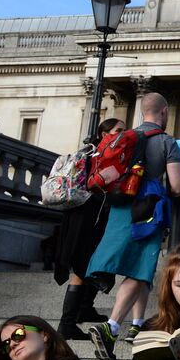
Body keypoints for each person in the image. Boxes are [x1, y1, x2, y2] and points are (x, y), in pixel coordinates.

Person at [87, 92, 180, 360]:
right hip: (147, 209)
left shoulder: (123, 137)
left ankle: (133, 324)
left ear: (143, 112)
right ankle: (112, 326)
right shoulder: (166, 141)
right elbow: (177, 187)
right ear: (164, 111)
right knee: (140, 270)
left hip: (119, 207)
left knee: (133, 268)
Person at [52, 118, 123, 341]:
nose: (123, 135)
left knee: (96, 262)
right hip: (87, 217)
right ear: (104, 134)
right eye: (118, 131)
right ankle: (67, 324)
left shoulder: (92, 154)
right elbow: (96, 186)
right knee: (82, 268)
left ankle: (85, 308)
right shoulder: (98, 156)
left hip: (88, 215)